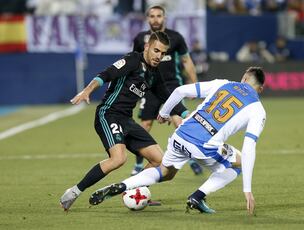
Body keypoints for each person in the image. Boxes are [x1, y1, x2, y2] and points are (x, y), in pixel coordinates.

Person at [88, 67, 266, 215]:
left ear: (243, 78)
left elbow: (180, 91)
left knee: (166, 172)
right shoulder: (258, 110)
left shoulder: (223, 84)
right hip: (204, 146)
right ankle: (197, 196)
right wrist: (247, 189)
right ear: (260, 89)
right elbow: (249, 146)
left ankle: (122, 185)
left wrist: (164, 113)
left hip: (180, 135)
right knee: (239, 163)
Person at [59, 31, 189, 211]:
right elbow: (106, 74)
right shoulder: (132, 60)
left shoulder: (154, 73)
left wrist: (186, 114)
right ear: (147, 47)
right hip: (109, 114)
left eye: (163, 53)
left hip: (127, 120)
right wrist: (88, 90)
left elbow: (167, 96)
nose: (159, 56)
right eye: (156, 51)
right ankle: (74, 192)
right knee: (119, 158)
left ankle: (129, 189)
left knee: (160, 161)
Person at [131, 5, 202, 176]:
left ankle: (191, 158)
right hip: (149, 87)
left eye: (159, 16)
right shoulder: (141, 39)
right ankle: (139, 162)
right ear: (147, 18)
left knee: (179, 122)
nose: (155, 19)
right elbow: (134, 62)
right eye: (152, 16)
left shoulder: (175, 37)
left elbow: (187, 61)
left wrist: (195, 87)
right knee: (146, 125)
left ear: (164, 18)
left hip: (172, 86)